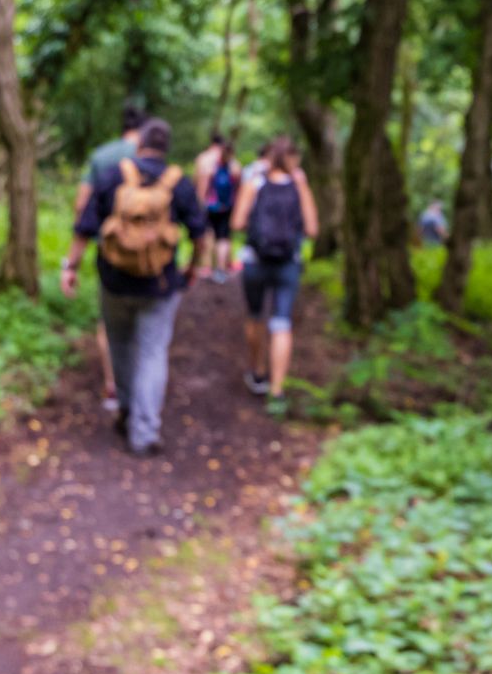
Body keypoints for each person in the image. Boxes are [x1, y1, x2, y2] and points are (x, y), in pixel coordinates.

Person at [63, 118, 206, 455]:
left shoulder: (114, 174)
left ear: (139, 142)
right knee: (153, 352)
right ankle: (144, 432)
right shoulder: (178, 183)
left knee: (120, 344)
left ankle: (126, 409)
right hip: (159, 284)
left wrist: (71, 267)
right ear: (167, 146)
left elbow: (85, 225)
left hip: (113, 280)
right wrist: (193, 267)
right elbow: (200, 234)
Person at [71, 99, 147, 420]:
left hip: (109, 250)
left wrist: (76, 252)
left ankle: (112, 385)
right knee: (145, 321)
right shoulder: (150, 157)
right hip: (147, 254)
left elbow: (81, 204)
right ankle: (142, 388)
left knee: (109, 322)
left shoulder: (102, 156)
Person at [233, 135, 319, 402]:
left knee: (255, 315)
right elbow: (312, 229)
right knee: (282, 322)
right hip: (288, 264)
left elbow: (236, 222)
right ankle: (278, 389)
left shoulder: (256, 182)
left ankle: (258, 371)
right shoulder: (298, 185)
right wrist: (302, 187)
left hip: (255, 262)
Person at [189, 130, 236, 282]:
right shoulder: (232, 162)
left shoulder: (204, 158)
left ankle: (206, 266)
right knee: (223, 236)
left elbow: (199, 182)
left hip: (210, 204)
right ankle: (221, 268)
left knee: (207, 232)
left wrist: (198, 204)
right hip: (227, 206)